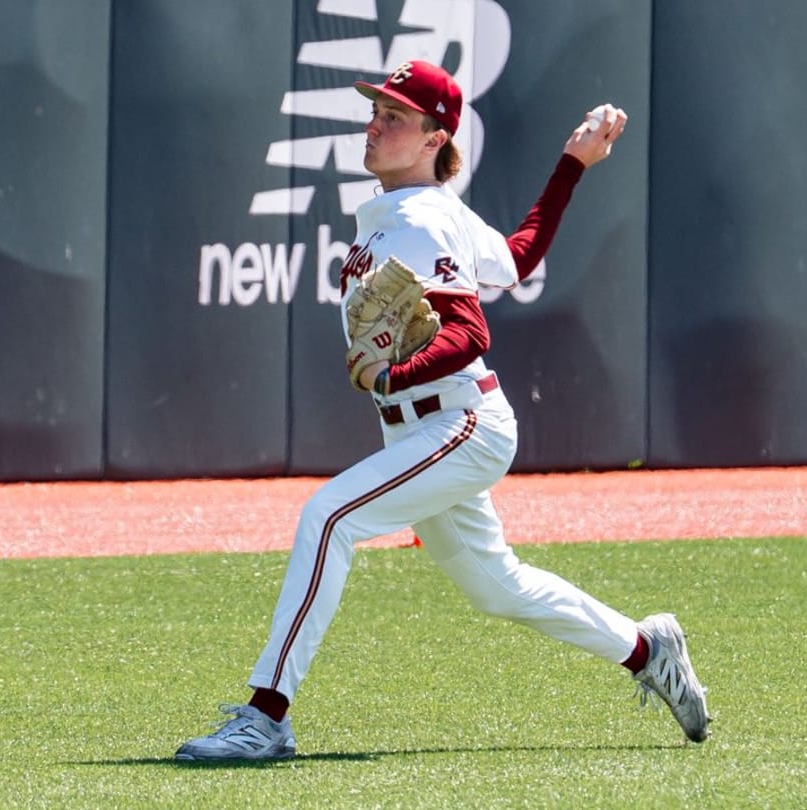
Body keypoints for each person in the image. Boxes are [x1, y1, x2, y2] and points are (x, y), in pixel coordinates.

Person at [175, 60, 709, 761]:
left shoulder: (422, 220)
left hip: (460, 423)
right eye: (376, 111)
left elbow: (470, 335)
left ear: (435, 138)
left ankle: (265, 717)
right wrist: (572, 165)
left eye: (394, 117)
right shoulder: (428, 214)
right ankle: (648, 649)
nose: (374, 124)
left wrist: (398, 369)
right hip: (433, 424)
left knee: (329, 515)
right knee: (499, 587)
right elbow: (515, 260)